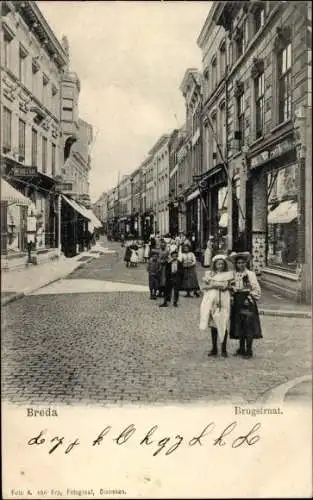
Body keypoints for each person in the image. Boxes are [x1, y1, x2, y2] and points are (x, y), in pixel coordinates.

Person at [229, 252, 262, 358]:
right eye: (239, 263)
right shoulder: (233, 274)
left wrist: (250, 297)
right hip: (237, 301)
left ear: (246, 263)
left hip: (247, 301)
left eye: (243, 262)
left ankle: (249, 350)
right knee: (239, 324)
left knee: (248, 325)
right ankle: (241, 348)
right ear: (236, 264)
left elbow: (256, 288)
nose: (241, 265)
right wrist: (232, 295)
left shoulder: (250, 274)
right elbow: (230, 287)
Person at [200, 255, 234, 357]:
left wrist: (215, 285)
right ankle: (214, 347)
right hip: (211, 299)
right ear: (214, 265)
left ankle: (223, 348)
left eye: (222, 264)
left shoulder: (228, 275)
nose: (220, 266)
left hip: (223, 299)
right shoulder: (209, 274)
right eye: (218, 264)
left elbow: (227, 287)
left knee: (223, 321)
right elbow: (204, 287)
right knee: (214, 324)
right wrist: (212, 285)